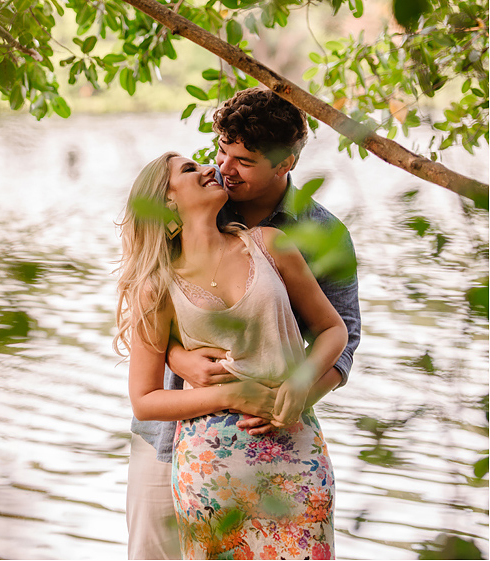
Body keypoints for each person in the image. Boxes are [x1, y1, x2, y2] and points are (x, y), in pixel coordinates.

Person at [124, 88, 361, 559]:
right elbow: (146, 309)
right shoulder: (201, 200)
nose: (224, 169)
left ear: (284, 164)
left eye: (244, 161)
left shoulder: (313, 233)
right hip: (173, 437)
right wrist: (178, 356)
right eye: (221, 152)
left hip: (276, 436)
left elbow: (343, 335)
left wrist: (293, 396)